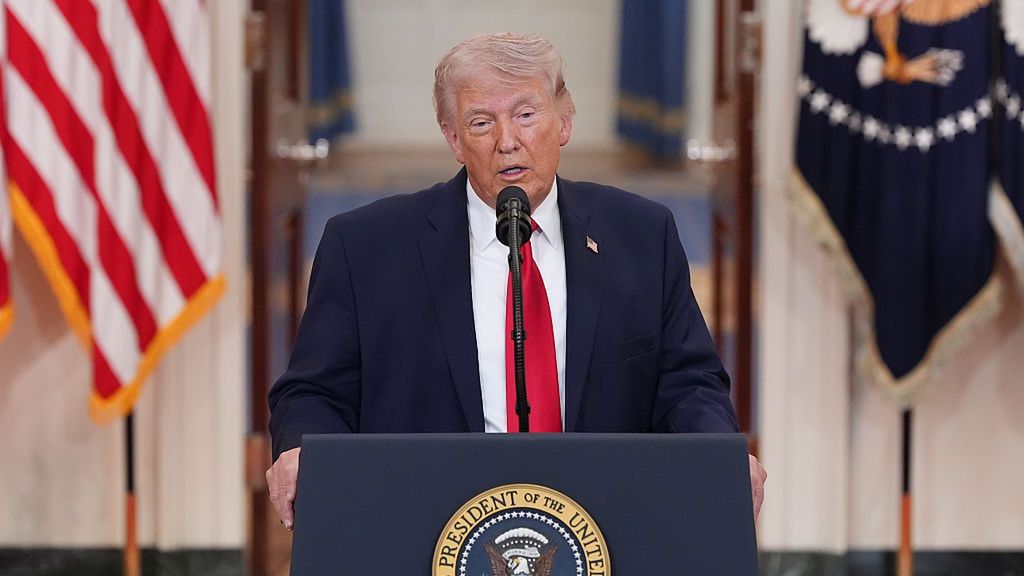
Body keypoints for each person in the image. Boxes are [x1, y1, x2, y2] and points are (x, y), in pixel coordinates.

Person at [266, 32, 766, 530]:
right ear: (453, 138)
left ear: (565, 120)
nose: (507, 141)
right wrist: (299, 450)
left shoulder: (641, 235)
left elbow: (688, 383)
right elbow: (313, 393)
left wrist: (719, 453)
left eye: (526, 115)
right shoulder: (366, 248)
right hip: (422, 524)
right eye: (481, 122)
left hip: (604, 525)